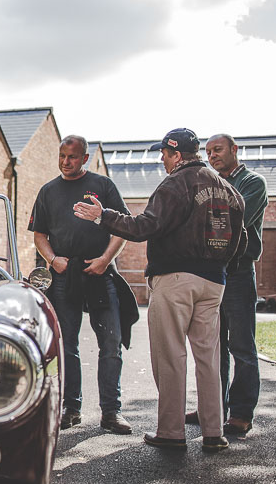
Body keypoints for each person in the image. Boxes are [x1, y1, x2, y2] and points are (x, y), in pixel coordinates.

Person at [73, 128, 246, 453]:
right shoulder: (229, 190)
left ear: (177, 154)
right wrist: (221, 268)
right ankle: (214, 433)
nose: (162, 161)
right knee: (209, 358)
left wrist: (102, 216)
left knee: (170, 356)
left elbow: (145, 227)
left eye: (164, 154)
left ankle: (171, 431)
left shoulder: (175, 184)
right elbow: (241, 239)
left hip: (175, 279)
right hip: (214, 282)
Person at [30, 135, 138, 435]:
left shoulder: (103, 186)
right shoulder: (48, 191)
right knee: (67, 345)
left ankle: (111, 412)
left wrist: (105, 259)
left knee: (111, 343)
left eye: (73, 157)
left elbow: (122, 228)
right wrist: (53, 260)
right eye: (62, 156)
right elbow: (39, 235)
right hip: (64, 276)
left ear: (85, 158)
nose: (66, 162)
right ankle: (71, 408)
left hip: (100, 274)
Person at [184, 133, 268, 435]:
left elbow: (233, 222)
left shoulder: (253, 183)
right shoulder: (210, 183)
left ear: (234, 149)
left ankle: (241, 413)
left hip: (239, 273)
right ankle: (212, 408)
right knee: (212, 346)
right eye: (208, 152)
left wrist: (203, 225)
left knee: (241, 346)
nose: (212, 156)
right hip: (212, 272)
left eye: (217, 150)